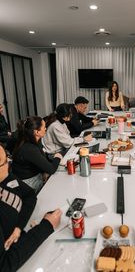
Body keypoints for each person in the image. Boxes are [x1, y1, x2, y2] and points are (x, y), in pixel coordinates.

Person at [0, 144, 62, 272]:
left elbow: (29, 195)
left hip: (25, 239)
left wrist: (18, 228)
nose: (9, 164)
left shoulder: (6, 178)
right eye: (4, 162)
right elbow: (5, 264)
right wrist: (46, 226)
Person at [11, 116, 62, 193]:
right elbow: (51, 169)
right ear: (36, 132)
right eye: (44, 127)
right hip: (28, 185)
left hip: (32, 177)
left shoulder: (30, 141)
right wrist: (57, 157)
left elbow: (40, 160)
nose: (46, 129)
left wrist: (44, 172)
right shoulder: (29, 148)